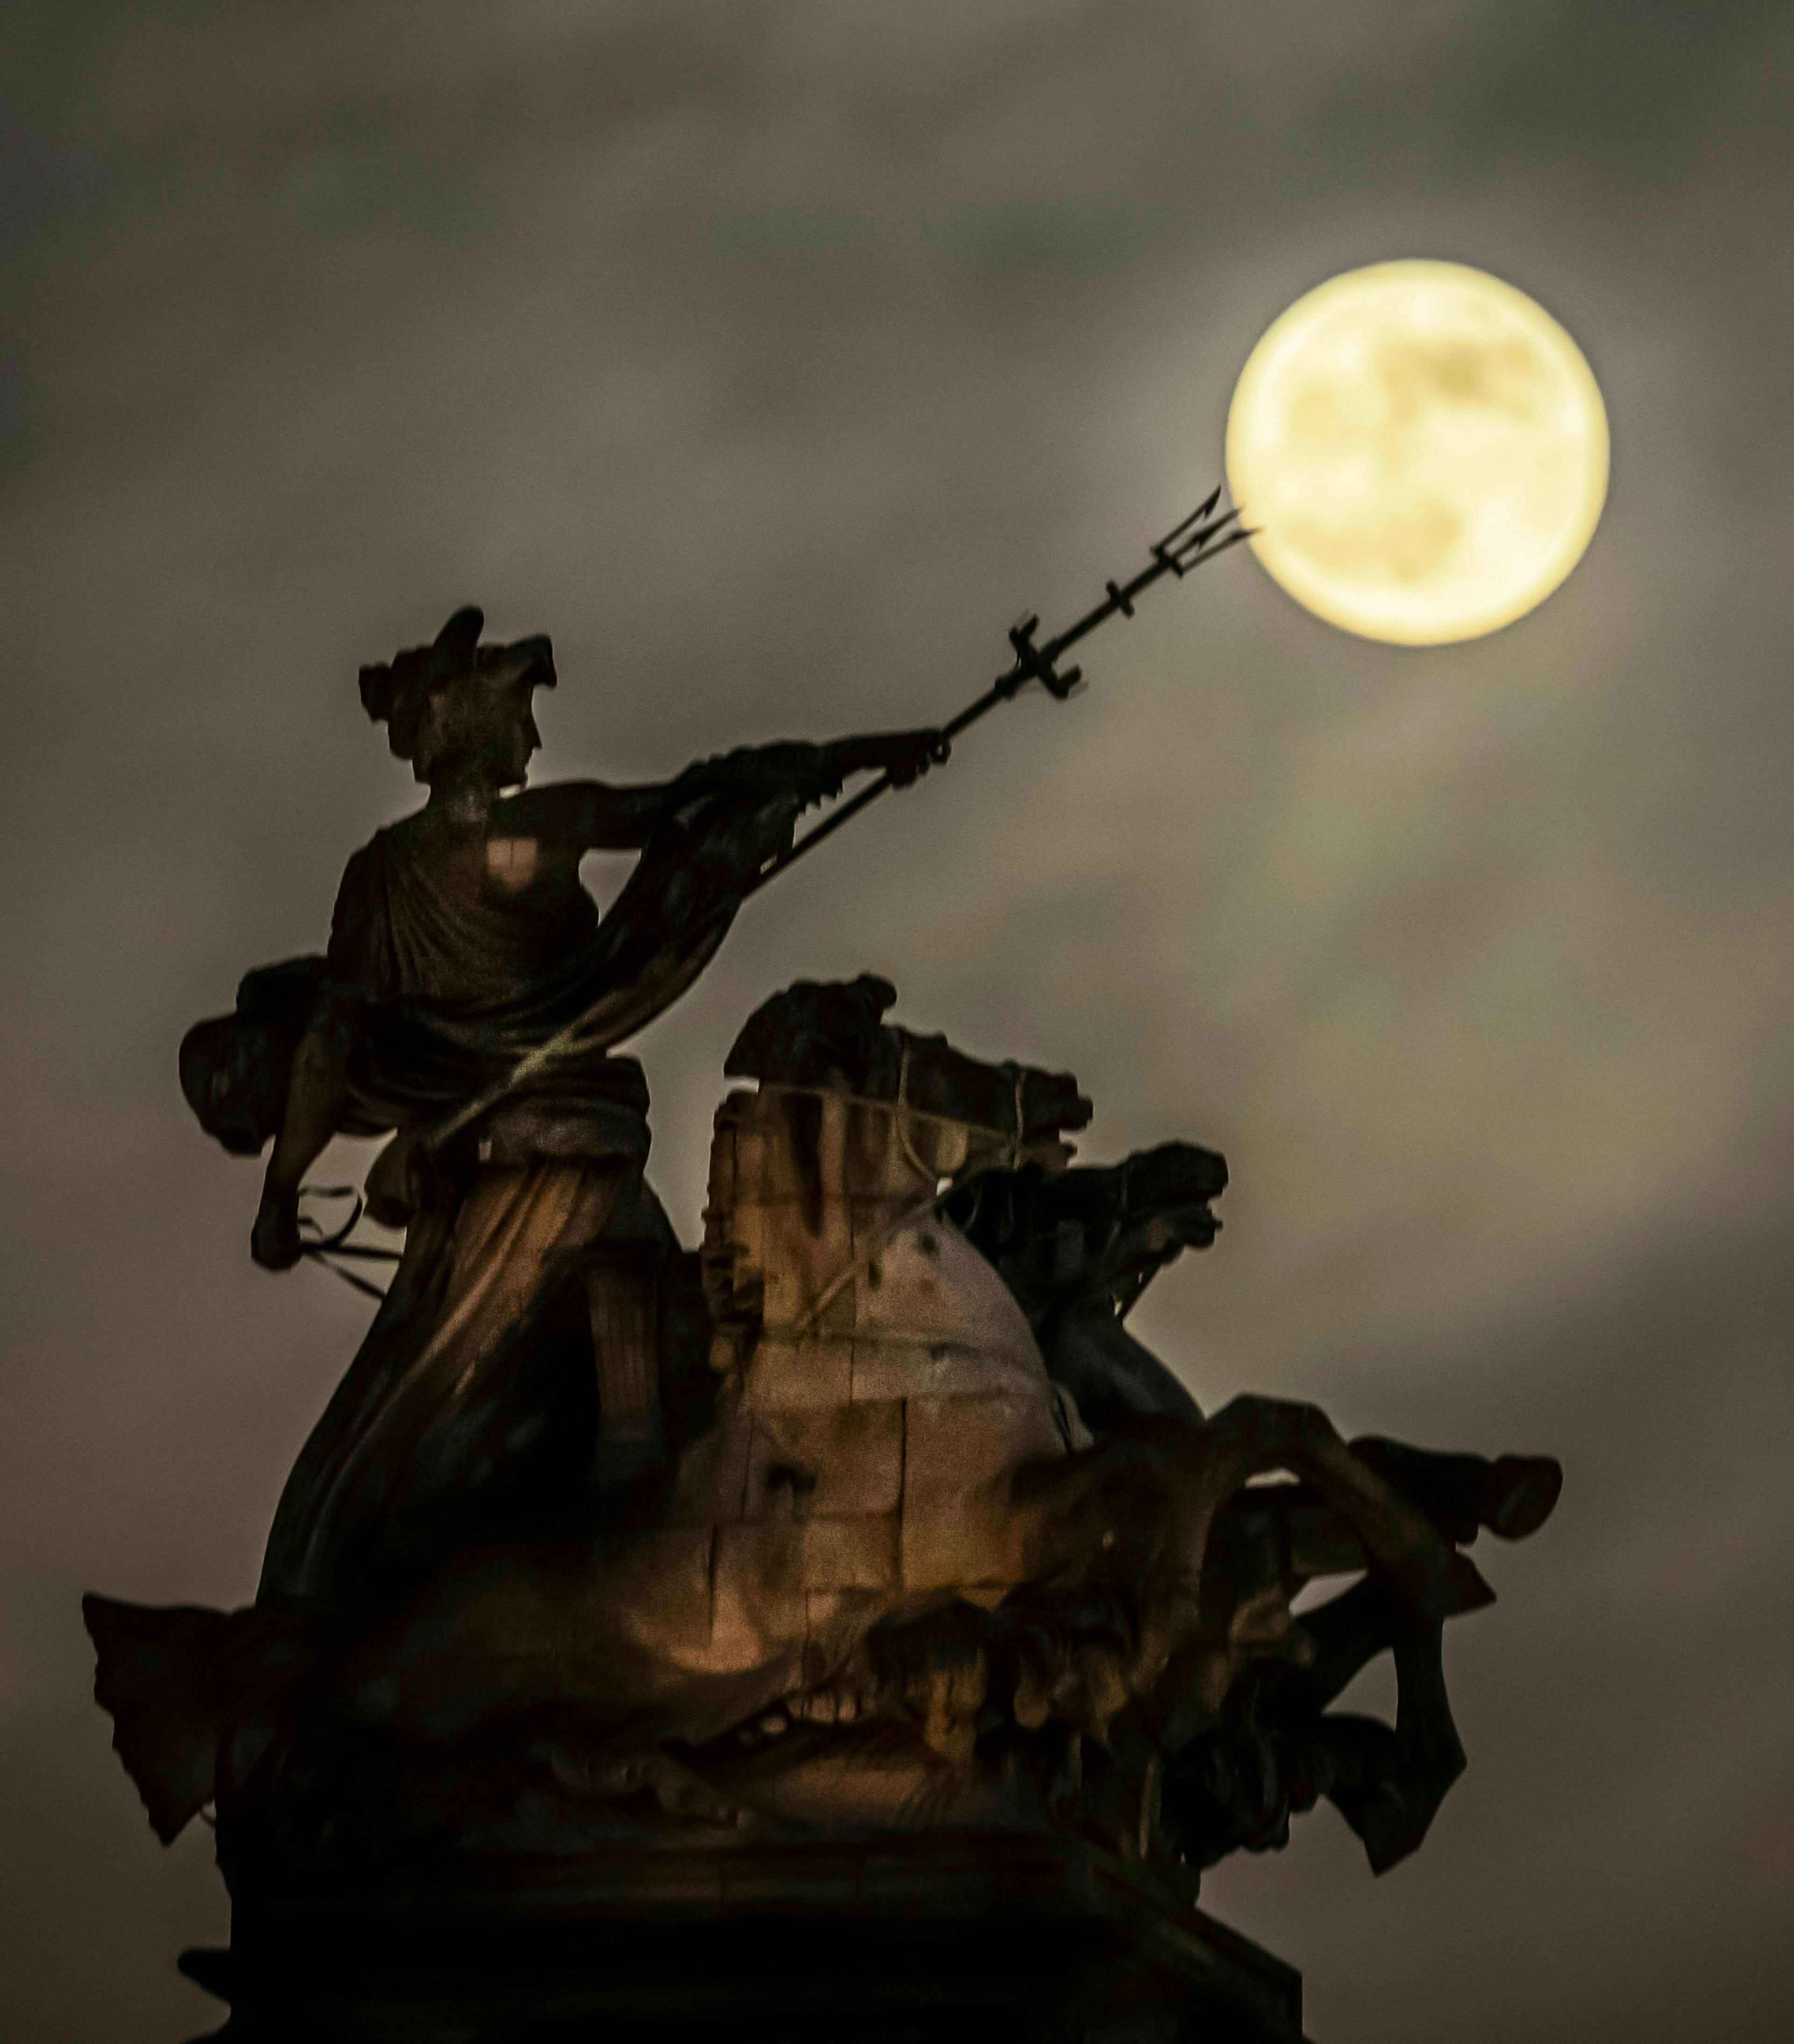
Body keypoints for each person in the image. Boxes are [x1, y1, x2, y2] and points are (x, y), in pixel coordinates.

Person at [238, 605, 943, 1609]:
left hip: (486, 1179)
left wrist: (282, 1193)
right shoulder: (528, 832)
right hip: (561, 1171)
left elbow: (329, 1046)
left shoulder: (382, 876)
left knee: (471, 1378)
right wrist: (849, 757)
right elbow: (694, 795)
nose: (531, 738)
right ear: (469, 728)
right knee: (640, 1356)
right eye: (517, 716)